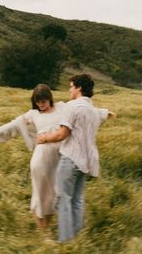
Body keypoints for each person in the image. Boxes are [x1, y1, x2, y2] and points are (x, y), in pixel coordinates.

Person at [37, 74, 116, 242]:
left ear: (79, 88)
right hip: (86, 161)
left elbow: (61, 134)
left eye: (71, 86)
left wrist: (45, 138)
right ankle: (76, 238)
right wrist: (107, 113)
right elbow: (99, 113)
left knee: (63, 198)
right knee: (77, 199)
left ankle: (65, 241)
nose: (69, 89)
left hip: (70, 158)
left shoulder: (71, 106)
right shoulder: (92, 109)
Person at [0, 84, 65, 238]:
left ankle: (46, 229)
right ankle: (44, 235)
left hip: (57, 160)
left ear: (50, 99)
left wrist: (104, 113)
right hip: (41, 159)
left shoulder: (61, 108)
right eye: (38, 102)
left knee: (52, 196)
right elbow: (13, 125)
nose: (41, 105)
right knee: (40, 195)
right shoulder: (33, 114)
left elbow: (82, 110)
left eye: (44, 101)